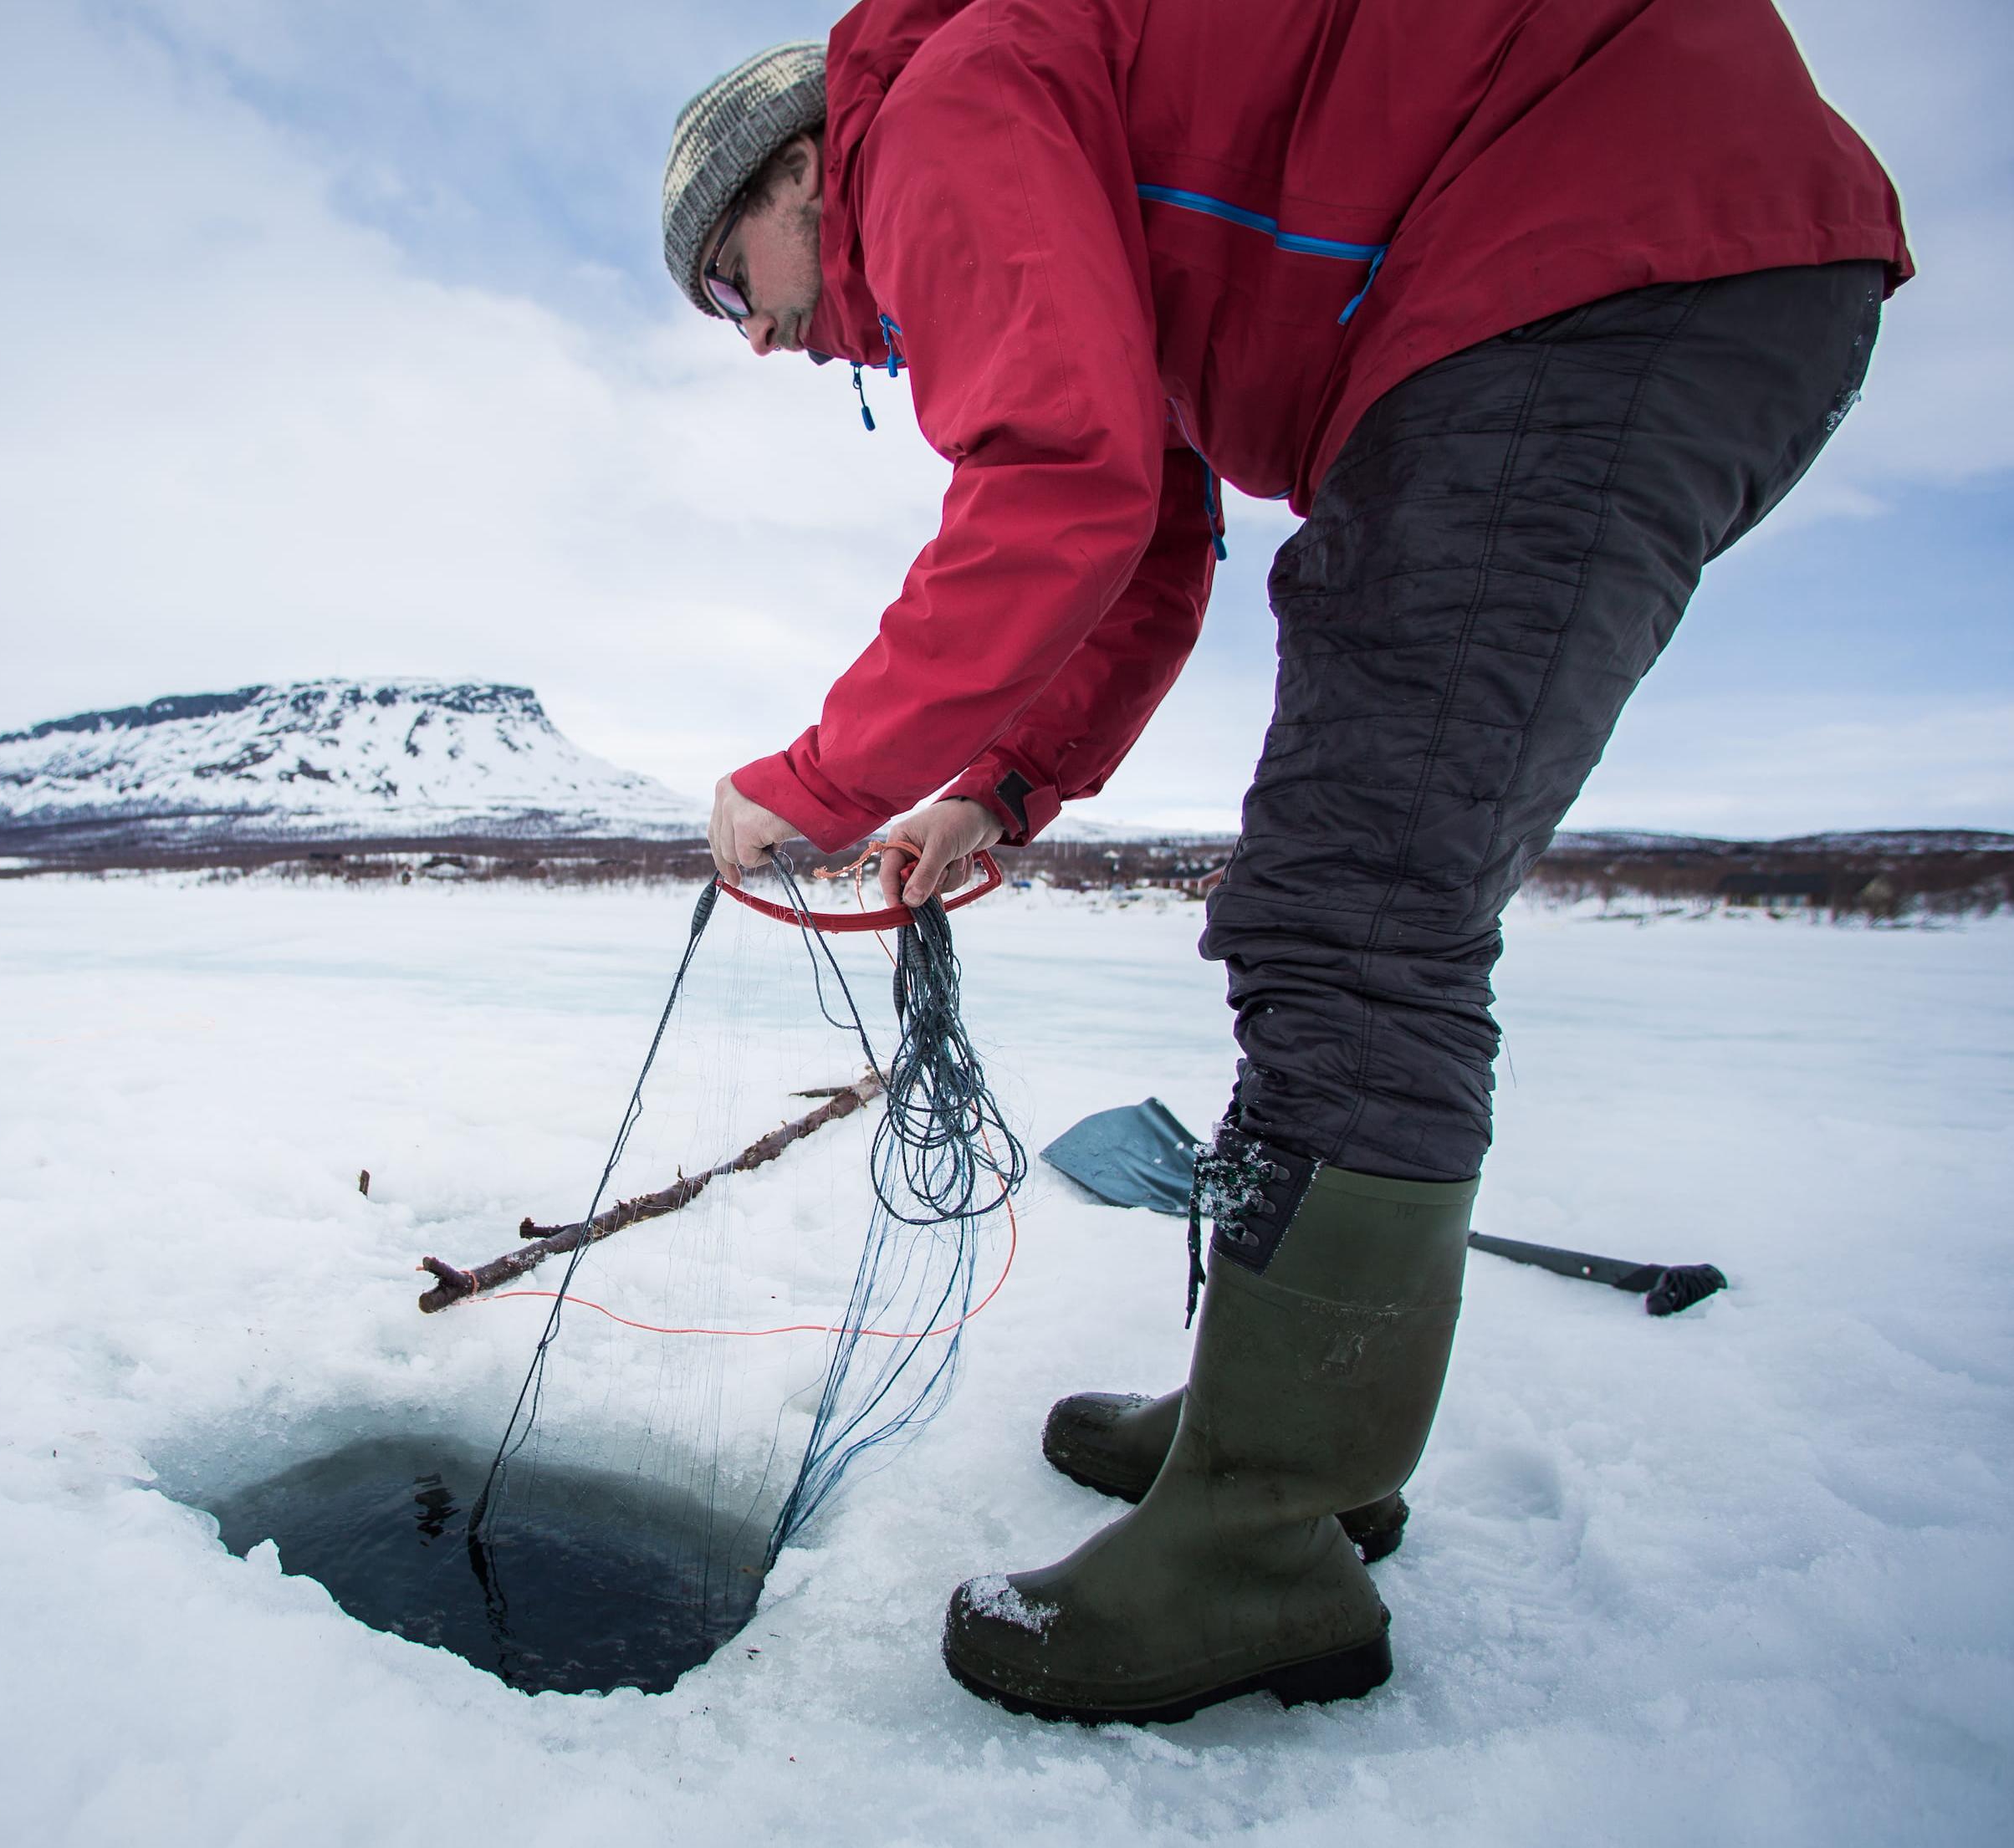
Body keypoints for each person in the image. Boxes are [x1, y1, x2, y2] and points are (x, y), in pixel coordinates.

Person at [662, 4, 1908, 1724]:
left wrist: (814, 779)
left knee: (1357, 913)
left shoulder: (939, 105)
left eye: (727, 280)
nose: (750, 334)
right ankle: (1272, 1420)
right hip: (1577, 269)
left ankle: (1259, 1534)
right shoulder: (1032, 135)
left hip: (1589, 254)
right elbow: (1152, 528)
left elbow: (1059, 481)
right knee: (1339, 892)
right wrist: (1000, 786)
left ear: (800, 170)